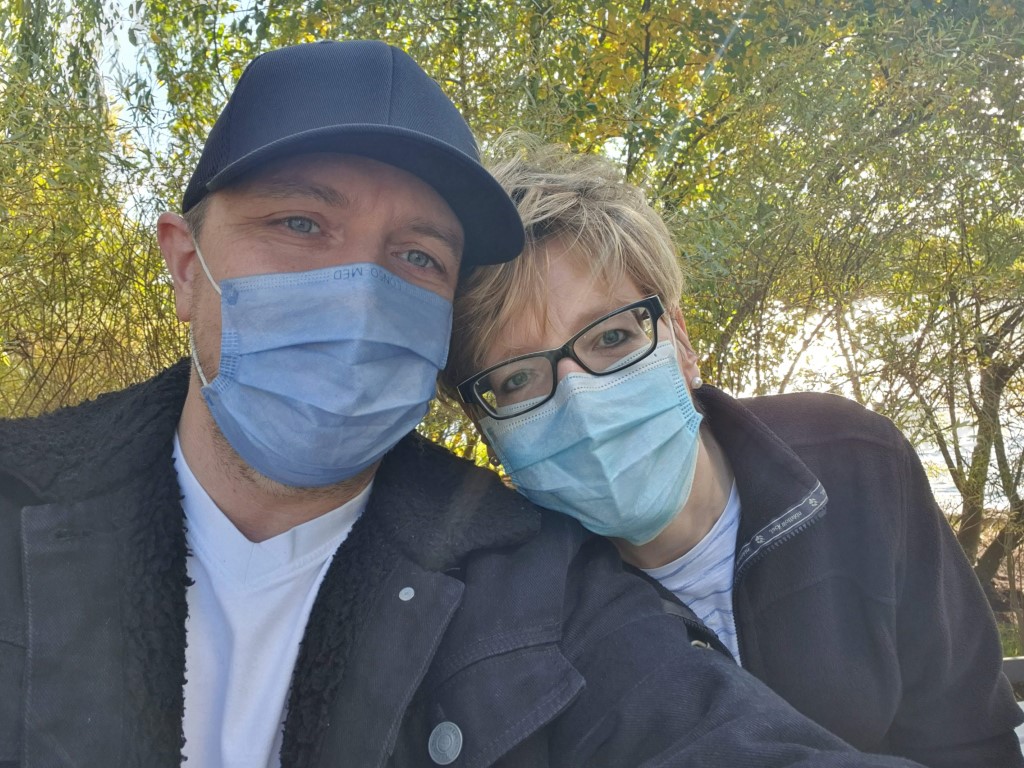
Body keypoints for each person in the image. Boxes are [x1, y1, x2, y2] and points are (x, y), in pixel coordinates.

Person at [0, 40, 931, 768]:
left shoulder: (536, 582)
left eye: (417, 256)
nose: (361, 297)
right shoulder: (20, 501)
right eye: (300, 223)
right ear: (183, 263)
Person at [440, 142, 1024, 768]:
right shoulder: (510, 607)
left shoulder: (857, 463)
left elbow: (970, 738)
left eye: (612, 337)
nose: (581, 401)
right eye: (517, 379)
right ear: (488, 427)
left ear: (681, 341)